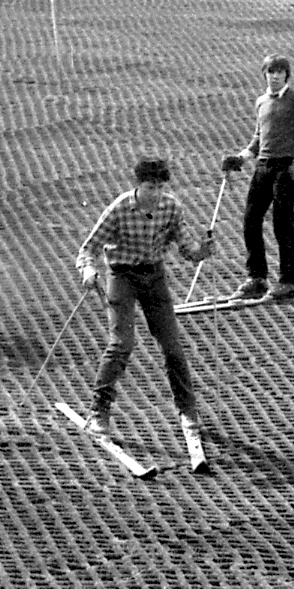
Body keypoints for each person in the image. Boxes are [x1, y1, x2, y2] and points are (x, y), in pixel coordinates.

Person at [76, 155, 214, 437]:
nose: (156, 193)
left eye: (160, 187)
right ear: (138, 185)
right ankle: (98, 412)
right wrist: (88, 271)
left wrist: (203, 250)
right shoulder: (119, 209)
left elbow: (188, 249)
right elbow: (87, 250)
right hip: (123, 275)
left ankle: (187, 410)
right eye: (150, 187)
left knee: (172, 346)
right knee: (122, 343)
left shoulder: (171, 207)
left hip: (154, 276)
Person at [220, 53, 294, 303]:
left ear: (286, 75)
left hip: (285, 167)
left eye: (280, 72)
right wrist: (241, 157)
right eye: (270, 72)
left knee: (282, 223)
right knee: (251, 220)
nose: (275, 76)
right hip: (262, 166)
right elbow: (259, 138)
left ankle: (289, 280)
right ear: (264, 74)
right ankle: (257, 278)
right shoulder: (261, 102)